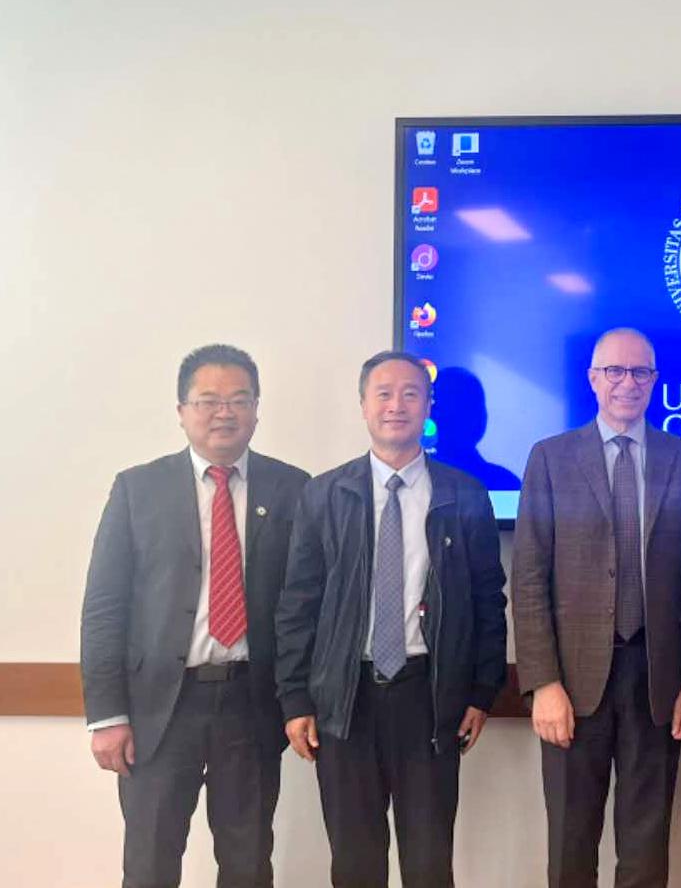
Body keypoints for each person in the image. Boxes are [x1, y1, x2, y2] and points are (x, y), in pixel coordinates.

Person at [275, 350, 508, 887]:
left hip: (429, 697)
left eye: (410, 394)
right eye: (383, 394)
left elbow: (487, 600)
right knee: (355, 863)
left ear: (427, 406)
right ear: (363, 405)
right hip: (345, 699)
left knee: (429, 863)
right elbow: (297, 604)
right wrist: (295, 699)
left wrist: (481, 691)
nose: (396, 405)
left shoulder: (463, 494)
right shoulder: (324, 494)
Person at [80, 343, 309, 887]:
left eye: (239, 399)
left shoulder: (294, 488)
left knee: (248, 863)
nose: (224, 412)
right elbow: (104, 606)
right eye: (208, 400)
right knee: (150, 863)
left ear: (256, 409)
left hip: (251, 703)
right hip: (160, 708)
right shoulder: (138, 488)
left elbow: (304, 606)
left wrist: (301, 699)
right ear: (181, 411)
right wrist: (107, 715)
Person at [512, 327, 681, 888]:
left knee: (646, 847)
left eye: (640, 372)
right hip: (572, 685)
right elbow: (528, 578)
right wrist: (543, 683)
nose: (628, 383)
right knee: (570, 844)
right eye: (614, 371)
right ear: (593, 379)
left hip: (658, 680)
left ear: (655, 380)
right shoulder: (551, 458)